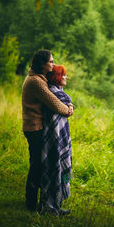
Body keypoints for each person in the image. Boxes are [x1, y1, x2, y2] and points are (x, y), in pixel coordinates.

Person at [22, 50, 73, 212]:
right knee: (37, 166)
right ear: (42, 64)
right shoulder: (36, 82)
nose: (53, 64)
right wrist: (69, 110)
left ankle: (37, 202)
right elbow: (55, 104)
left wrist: (68, 105)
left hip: (35, 127)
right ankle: (31, 204)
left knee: (38, 165)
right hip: (34, 128)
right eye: (50, 61)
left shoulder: (38, 78)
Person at [41, 65, 74, 216]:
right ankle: (48, 206)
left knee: (59, 169)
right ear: (57, 77)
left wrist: (69, 106)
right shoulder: (52, 94)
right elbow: (57, 113)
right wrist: (69, 107)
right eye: (64, 75)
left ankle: (56, 204)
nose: (66, 77)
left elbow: (66, 108)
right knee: (52, 168)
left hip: (59, 137)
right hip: (53, 138)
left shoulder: (60, 94)